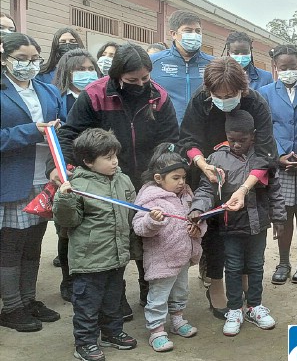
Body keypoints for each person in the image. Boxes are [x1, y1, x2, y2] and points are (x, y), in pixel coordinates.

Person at [47, 42, 179, 319]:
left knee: (147, 237)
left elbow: (171, 137)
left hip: (146, 178)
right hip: (105, 180)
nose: (141, 85)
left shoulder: (159, 97)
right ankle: (115, 299)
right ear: (117, 75)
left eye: (145, 78)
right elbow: (69, 135)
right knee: (109, 239)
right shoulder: (94, 94)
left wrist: (163, 160)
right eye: (132, 80)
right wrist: (75, 167)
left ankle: (148, 290)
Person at [178, 56, 277, 318]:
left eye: (230, 94)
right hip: (210, 169)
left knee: (245, 228)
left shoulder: (256, 103)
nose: (224, 99)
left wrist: (244, 189)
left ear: (242, 89)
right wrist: (202, 164)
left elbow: (267, 151)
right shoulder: (200, 100)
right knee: (213, 231)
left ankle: (246, 285)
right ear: (208, 91)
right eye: (218, 95)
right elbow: (187, 138)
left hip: (250, 173)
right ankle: (216, 281)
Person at [190, 109, 286, 336]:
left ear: (253, 136)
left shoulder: (262, 157)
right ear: (226, 134)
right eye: (232, 139)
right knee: (232, 267)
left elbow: (275, 191)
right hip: (229, 226)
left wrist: (280, 218)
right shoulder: (216, 158)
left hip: (257, 226)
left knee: (255, 266)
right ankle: (234, 309)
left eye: (242, 140)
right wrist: (197, 208)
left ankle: (255, 306)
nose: (236, 145)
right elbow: (206, 189)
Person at [53, 129, 138, 361]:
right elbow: (67, 222)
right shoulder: (76, 185)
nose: (115, 162)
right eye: (108, 158)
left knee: (113, 299)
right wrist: (64, 199)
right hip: (89, 259)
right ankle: (85, 342)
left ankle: (112, 332)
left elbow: (131, 208)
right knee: (87, 303)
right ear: (88, 161)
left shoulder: (122, 179)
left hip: (117, 255)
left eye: (115, 156)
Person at [0, 32, 64, 332]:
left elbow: (60, 130)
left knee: (34, 245)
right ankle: (11, 307)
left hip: (44, 179)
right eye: (21, 59)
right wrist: (31, 131)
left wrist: (56, 164)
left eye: (34, 59)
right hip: (12, 180)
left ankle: (29, 300)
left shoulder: (47, 91)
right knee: (11, 245)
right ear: (5, 59)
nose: (28, 65)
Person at [133, 143, 205, 352]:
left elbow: (199, 219)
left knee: (181, 291)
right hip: (162, 260)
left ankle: (178, 320)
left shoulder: (188, 196)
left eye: (183, 177)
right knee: (159, 295)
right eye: (176, 178)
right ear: (158, 178)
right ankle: (156, 330)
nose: (181, 182)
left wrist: (198, 228)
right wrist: (152, 220)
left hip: (183, 256)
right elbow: (140, 227)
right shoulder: (149, 199)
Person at [259, 44, 297, 285]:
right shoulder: (265, 93)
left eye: (293, 66)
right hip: (280, 162)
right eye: (283, 67)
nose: (288, 71)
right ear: (275, 67)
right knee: (282, 214)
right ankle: (283, 262)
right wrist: (280, 155)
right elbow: (265, 128)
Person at [51, 48, 101, 301]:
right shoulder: (58, 98)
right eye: (79, 69)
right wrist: (61, 167)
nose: (86, 73)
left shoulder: (101, 97)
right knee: (68, 227)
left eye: (90, 68)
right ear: (66, 72)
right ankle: (68, 281)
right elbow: (60, 137)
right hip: (70, 169)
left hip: (99, 169)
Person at [150, 10, 214, 124]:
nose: (194, 35)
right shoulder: (154, 62)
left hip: (203, 135)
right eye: (188, 31)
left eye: (198, 31)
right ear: (173, 34)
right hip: (167, 133)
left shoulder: (214, 64)